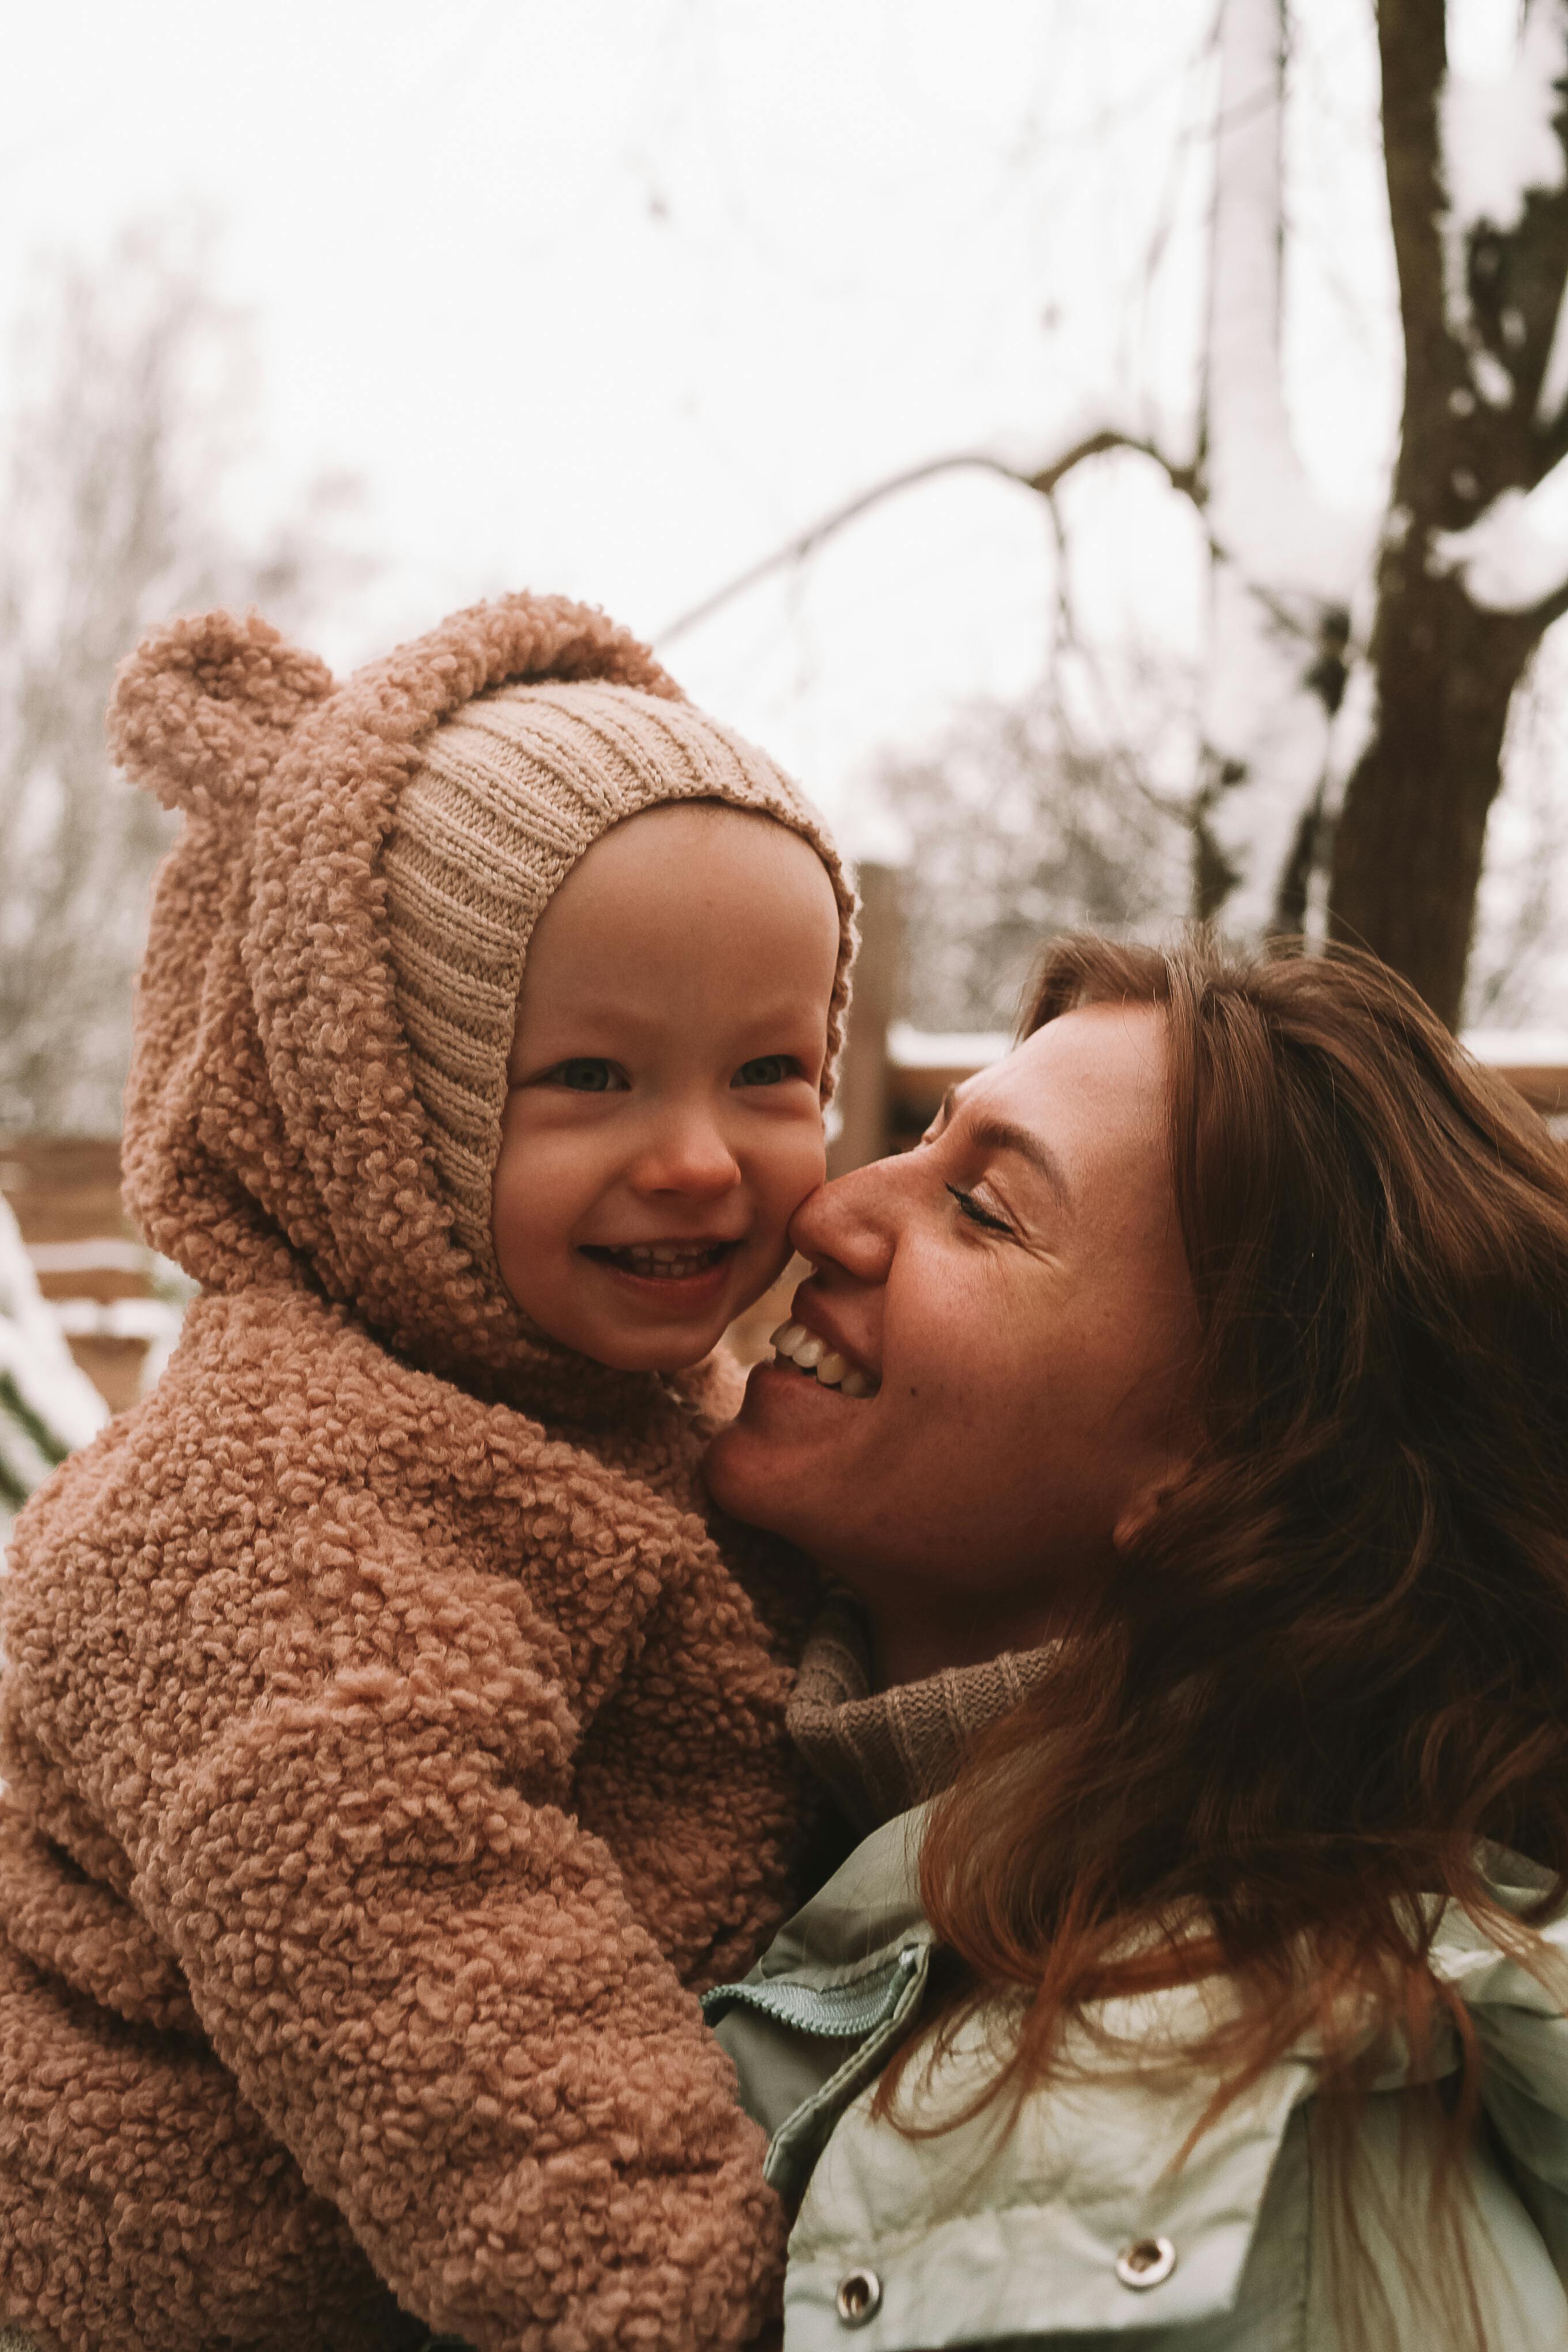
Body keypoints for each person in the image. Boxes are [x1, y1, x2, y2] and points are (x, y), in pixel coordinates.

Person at [0, 591, 854, 2352]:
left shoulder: (617, 1405)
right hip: (204, 2283)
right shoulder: (272, 1480)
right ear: (375, 1109)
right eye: (591, 1078)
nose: (700, 1159)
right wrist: (677, 2299)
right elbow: (415, 1926)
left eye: (771, 1071)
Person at [704, 932, 1568, 2351]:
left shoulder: (1248, 2127)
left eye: (978, 1209)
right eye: (922, 1139)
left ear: (1215, 1475)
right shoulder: (725, 1811)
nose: (828, 1210)